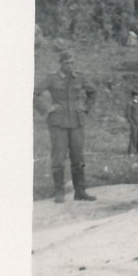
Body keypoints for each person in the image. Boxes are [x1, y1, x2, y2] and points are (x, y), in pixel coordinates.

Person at [34, 50, 97, 202]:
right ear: (61, 64)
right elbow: (34, 93)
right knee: (58, 158)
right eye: (66, 63)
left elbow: (93, 92)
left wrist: (85, 107)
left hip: (76, 123)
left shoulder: (80, 77)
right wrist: (47, 108)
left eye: (72, 62)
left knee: (78, 158)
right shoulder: (52, 78)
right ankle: (59, 192)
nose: (70, 66)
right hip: (58, 124)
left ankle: (80, 191)